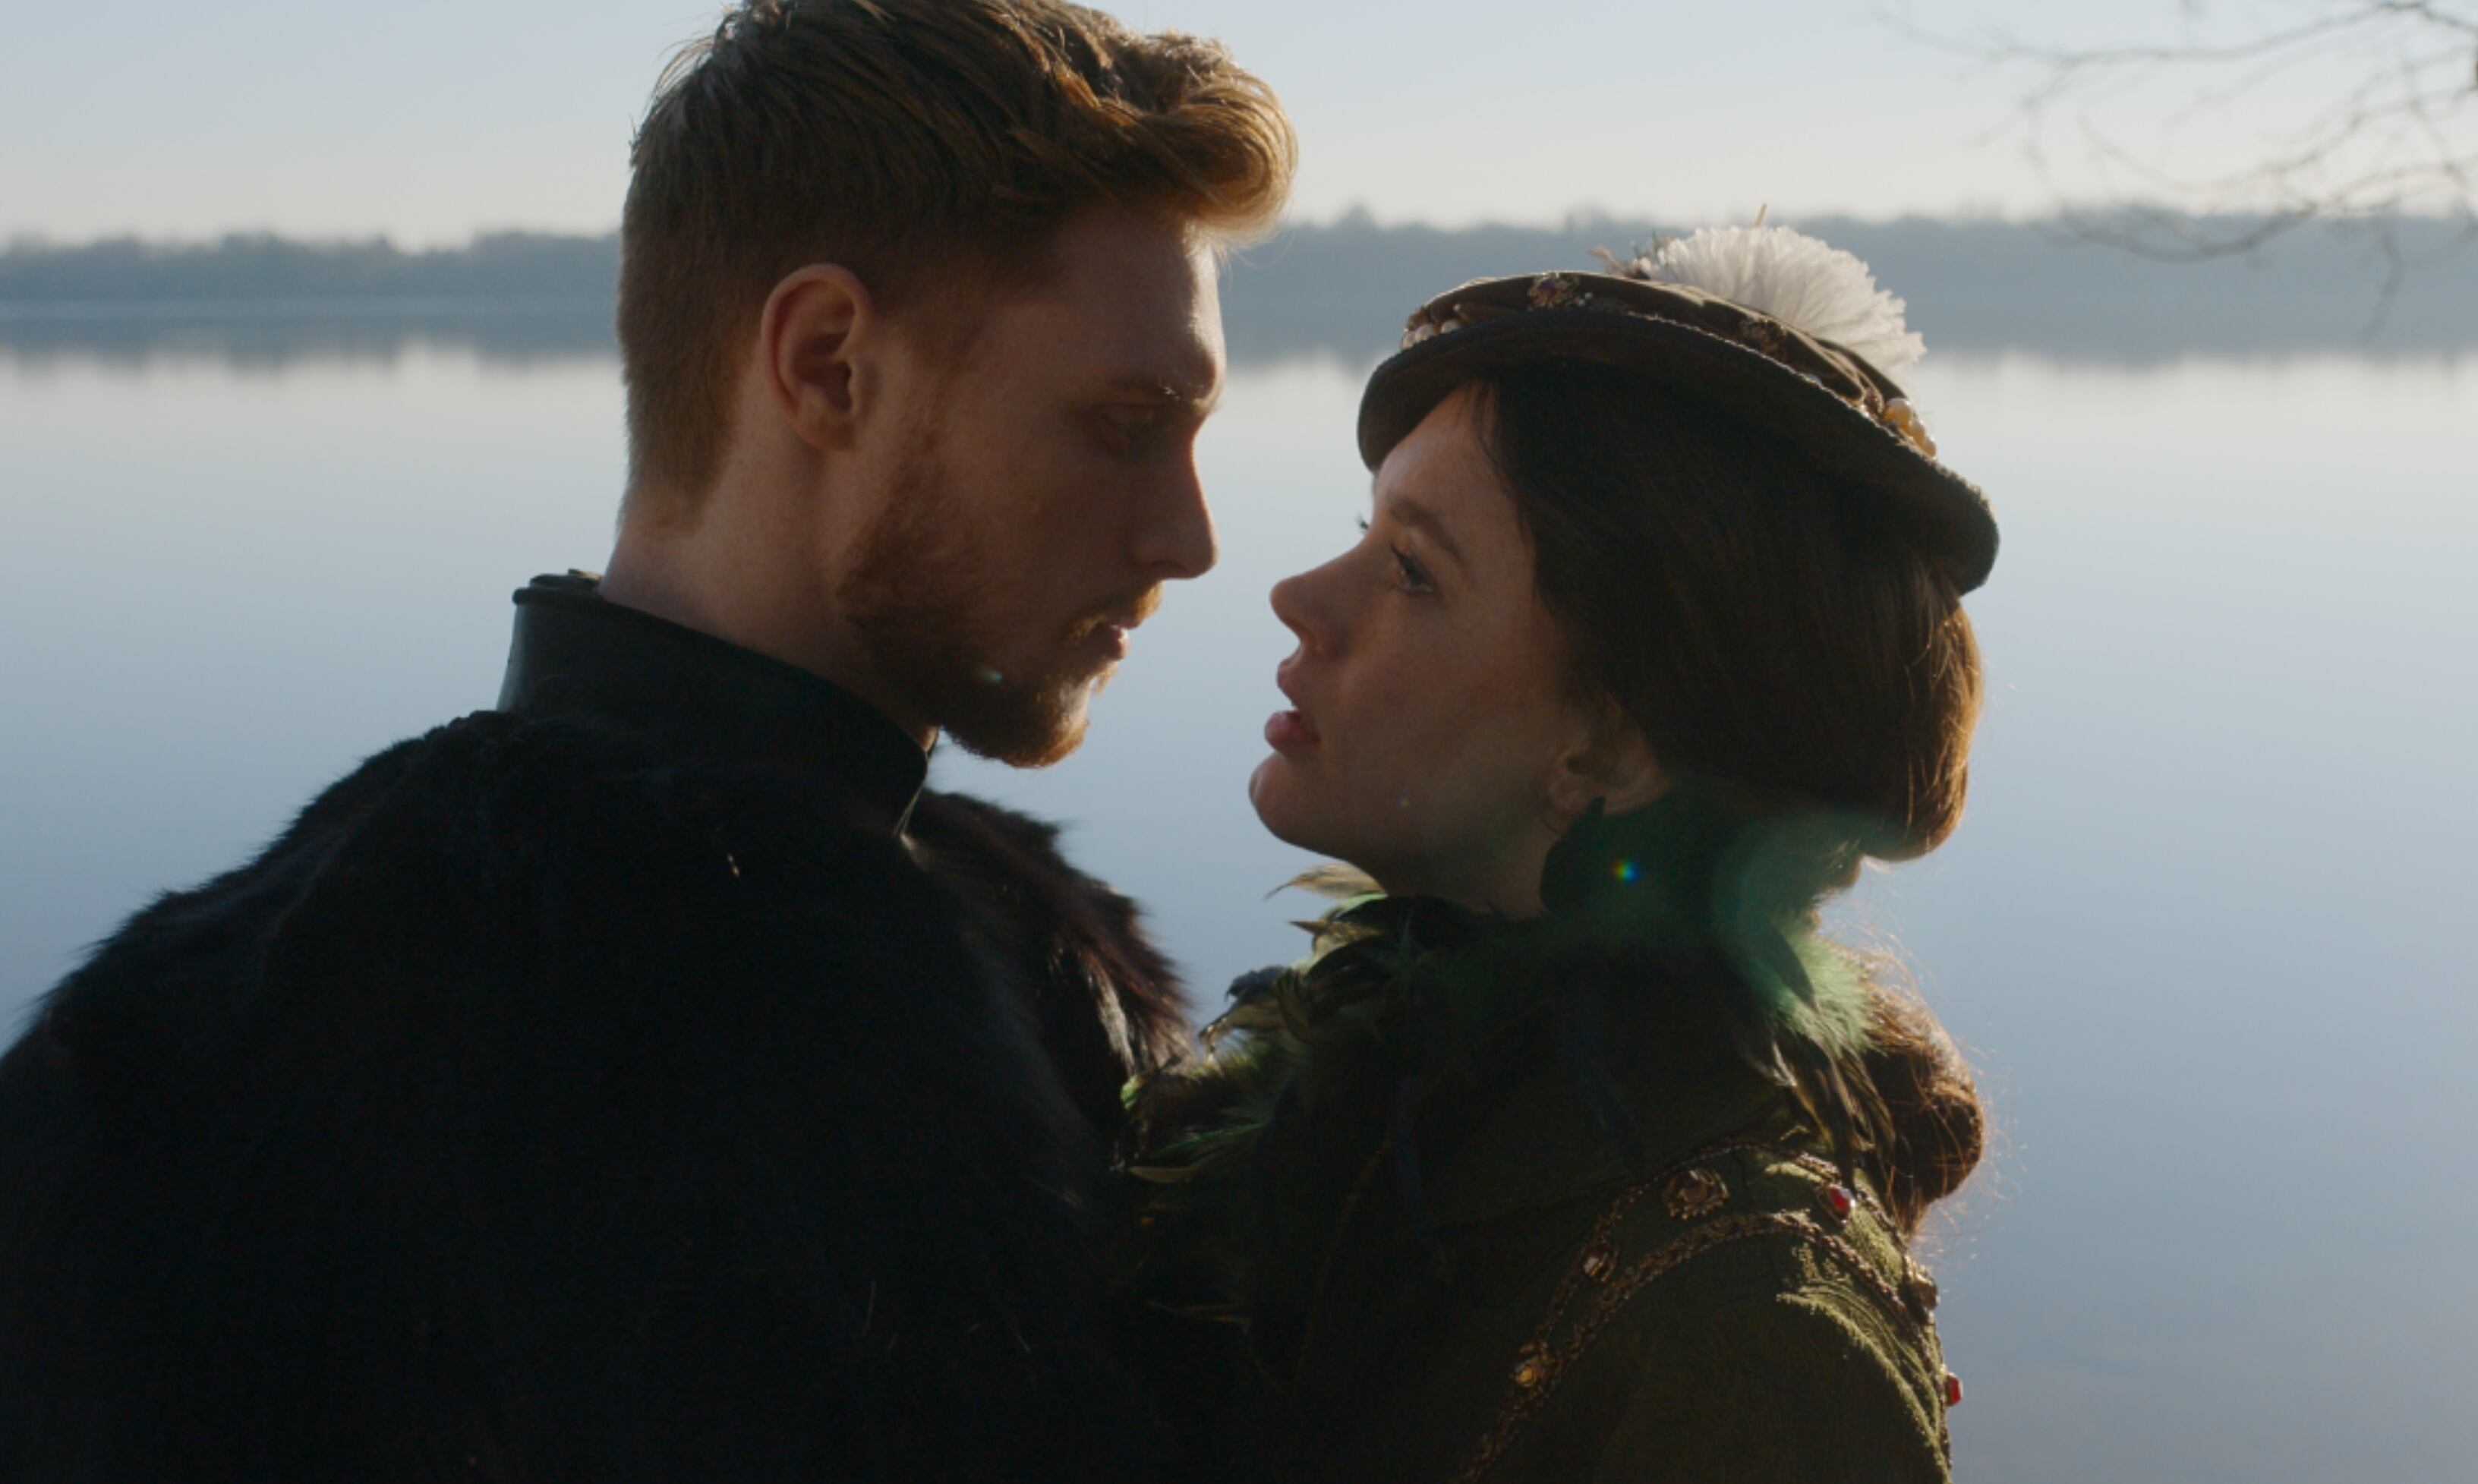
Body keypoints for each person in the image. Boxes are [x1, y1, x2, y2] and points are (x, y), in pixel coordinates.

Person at [0, 2, 1291, 1479]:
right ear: (828, 366)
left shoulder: (165, 1045)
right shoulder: (757, 1055)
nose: (1189, 539)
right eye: (1126, 421)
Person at [1127, 230, 1996, 1482]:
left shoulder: (1752, 1345)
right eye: (1362, 532)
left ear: (1612, 745)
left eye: (1412, 570)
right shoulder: (1347, 1119)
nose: (1300, 597)